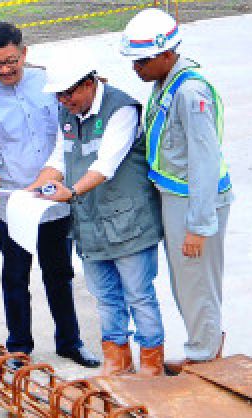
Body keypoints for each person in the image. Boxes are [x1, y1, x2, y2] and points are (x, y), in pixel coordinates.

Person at [0, 22, 100, 369]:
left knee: (60, 273)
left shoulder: (50, 85)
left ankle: (69, 342)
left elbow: (67, 133)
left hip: (53, 201)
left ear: (24, 53)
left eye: (11, 61)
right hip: (11, 206)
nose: (5, 70)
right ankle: (19, 348)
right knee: (15, 276)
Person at [27, 51, 166, 376]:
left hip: (128, 224)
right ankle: (117, 360)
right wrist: (31, 190)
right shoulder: (66, 113)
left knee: (139, 296)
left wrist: (71, 192)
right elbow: (59, 160)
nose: (64, 100)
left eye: (69, 93)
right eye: (59, 95)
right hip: (90, 226)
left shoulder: (122, 109)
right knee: (105, 297)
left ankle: (151, 364)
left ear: (89, 84)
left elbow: (106, 164)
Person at [120, 8, 232, 374]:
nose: (136, 69)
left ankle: (204, 355)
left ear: (166, 54)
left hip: (194, 201)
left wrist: (200, 226)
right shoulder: (166, 84)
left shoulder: (190, 93)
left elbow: (204, 160)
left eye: (142, 61)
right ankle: (205, 345)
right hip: (177, 197)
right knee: (187, 280)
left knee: (196, 281)